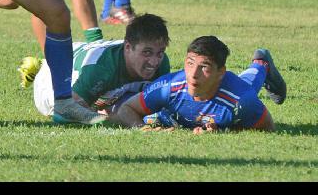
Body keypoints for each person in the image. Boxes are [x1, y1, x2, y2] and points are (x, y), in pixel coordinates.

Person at [110, 37, 287, 133]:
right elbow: (127, 109)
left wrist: (225, 129)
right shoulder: (169, 86)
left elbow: (268, 128)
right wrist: (143, 129)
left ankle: (261, 63)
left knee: (247, 86)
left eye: (204, 67)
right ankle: (260, 61)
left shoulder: (241, 101)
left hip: (235, 90)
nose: (193, 73)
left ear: (220, 71)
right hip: (226, 88)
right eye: (190, 63)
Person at [21, 13, 170, 118]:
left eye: (159, 53)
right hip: (53, 79)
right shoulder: (102, 69)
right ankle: (41, 66)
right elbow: (66, 111)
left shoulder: (162, 62)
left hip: (83, 51)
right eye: (147, 53)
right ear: (128, 47)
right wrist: (115, 118)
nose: (154, 61)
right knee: (65, 109)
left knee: (139, 102)